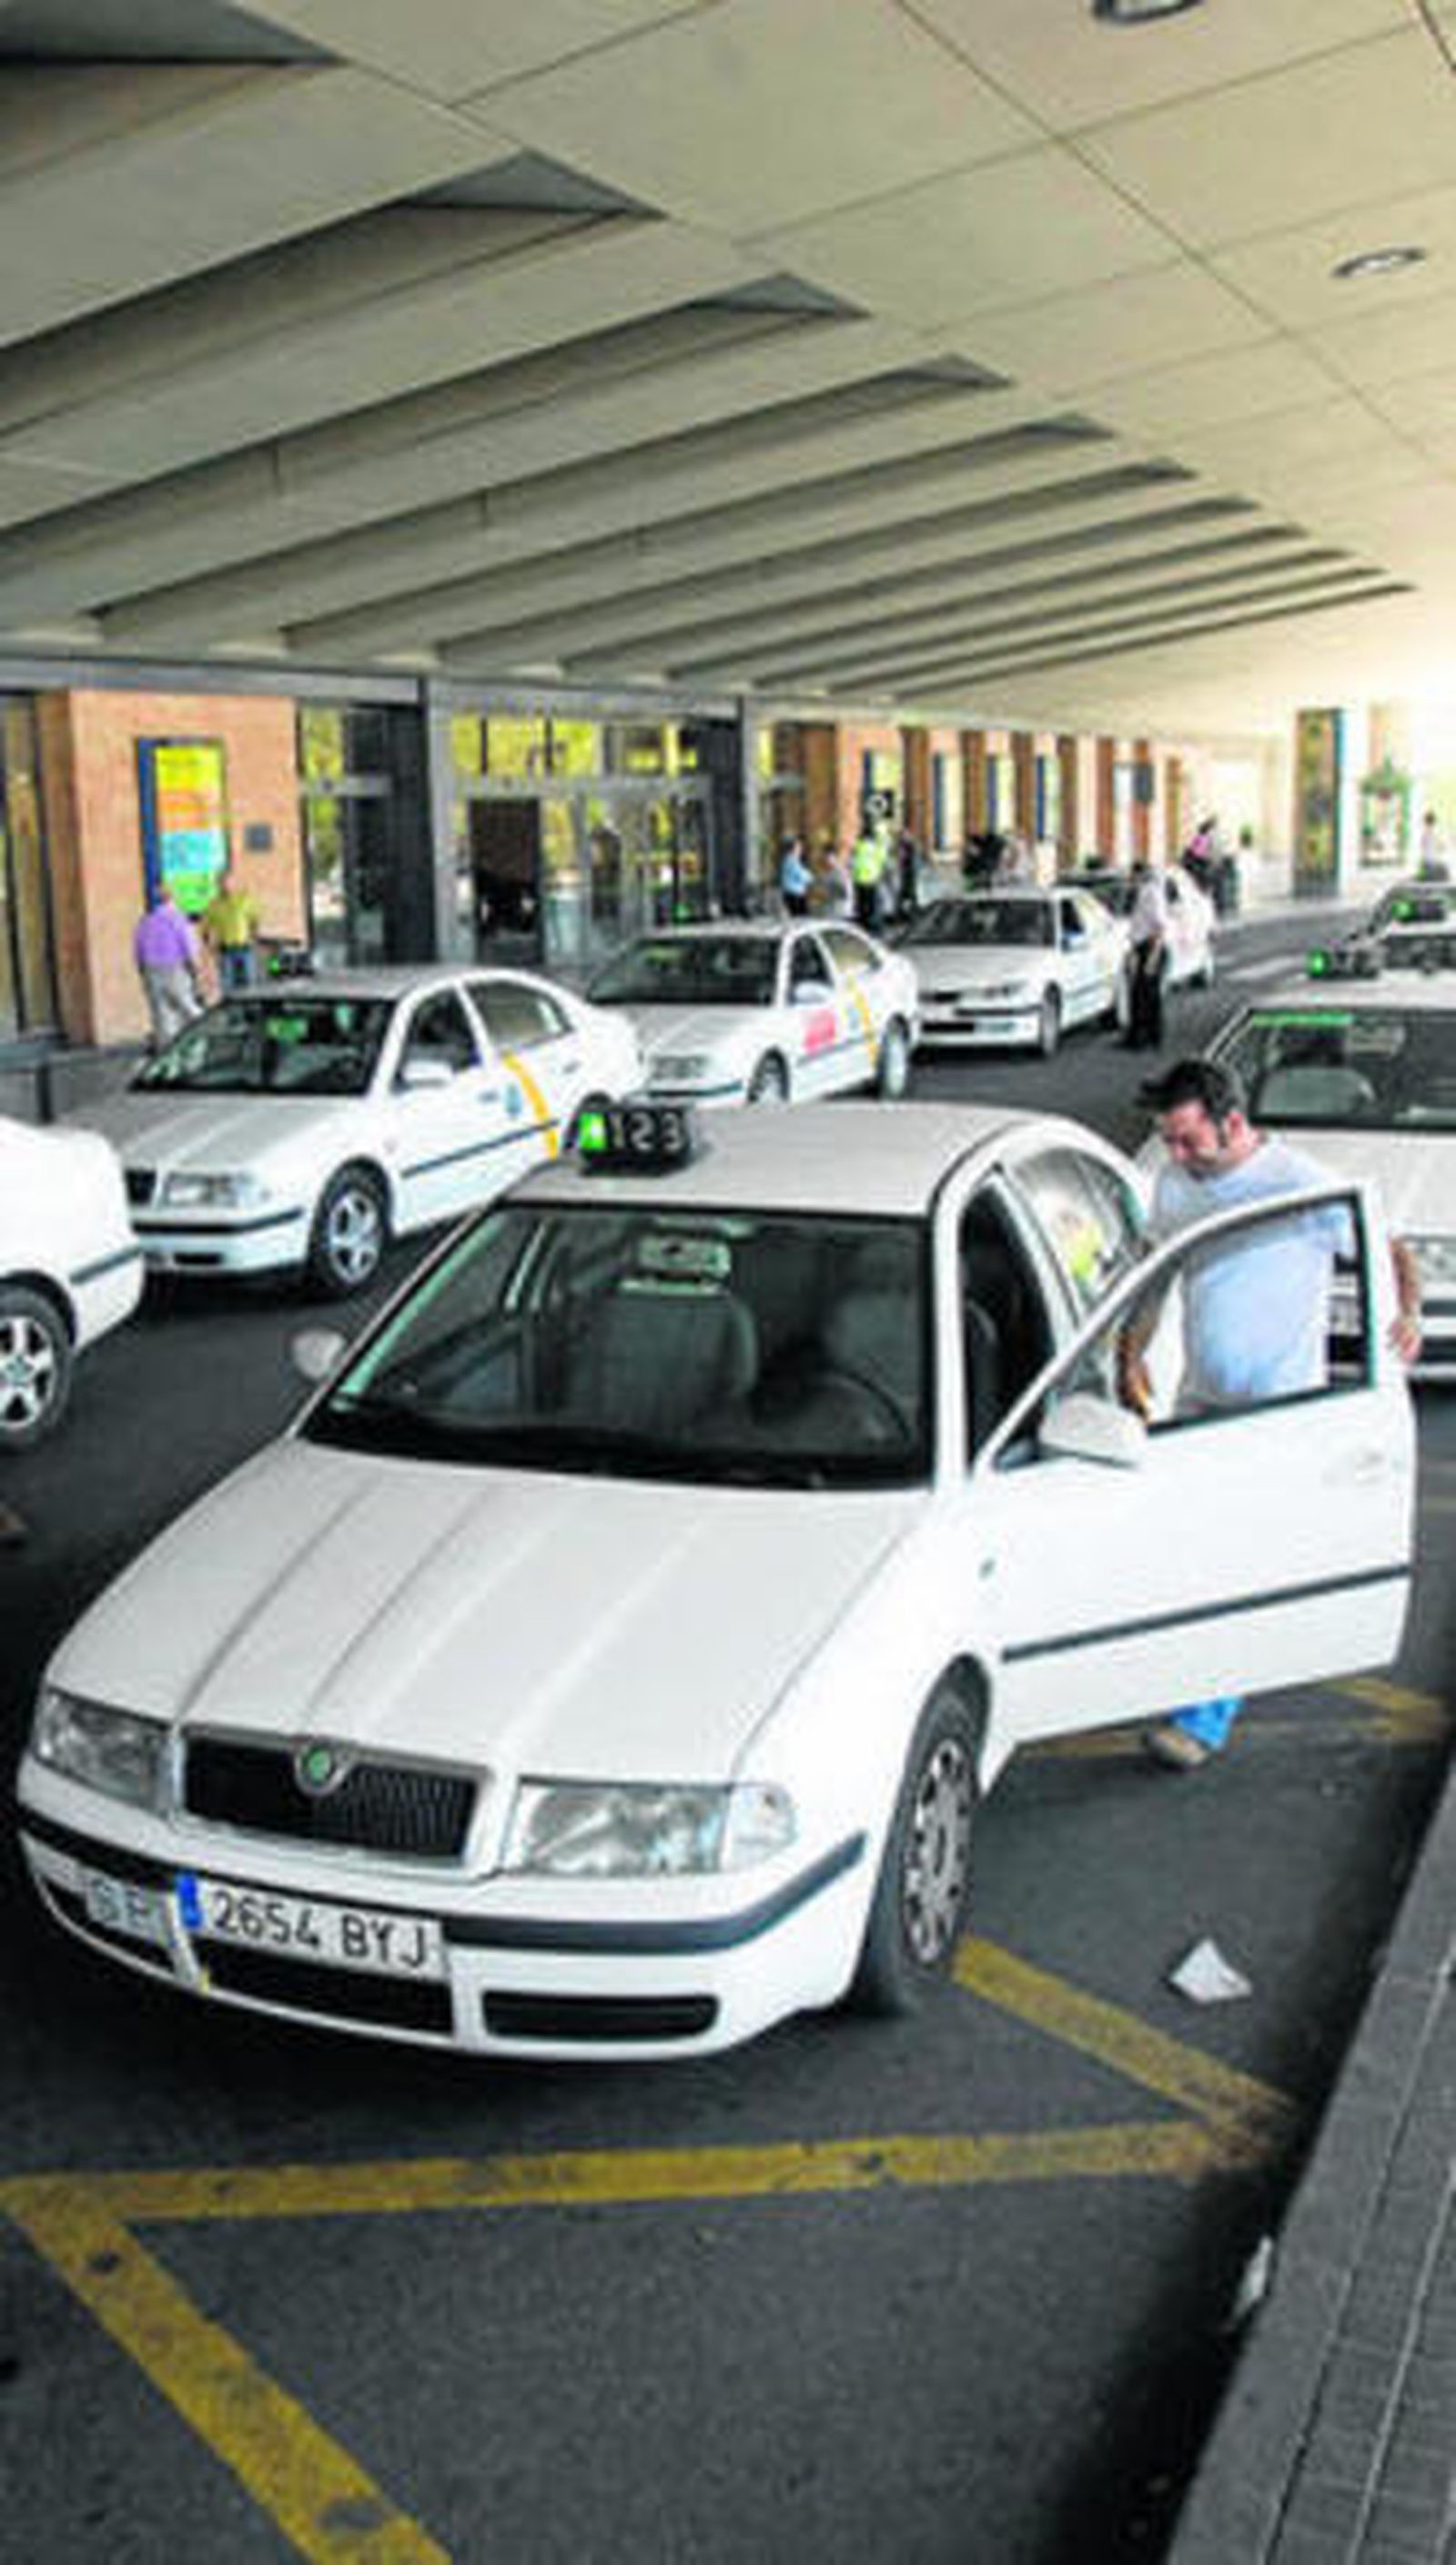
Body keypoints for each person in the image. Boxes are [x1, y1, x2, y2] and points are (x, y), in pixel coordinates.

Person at [1119, 1058, 1422, 1770]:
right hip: (1199, 1399)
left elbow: (1389, 1248)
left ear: (1233, 1123)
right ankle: (1188, 1682)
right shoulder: (1175, 1184)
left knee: (1233, 1560)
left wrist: (1407, 1314)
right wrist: (1131, 1348)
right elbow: (1162, 1272)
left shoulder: (1300, 1185)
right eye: (1169, 1141)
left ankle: (1201, 1718)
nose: (1179, 1155)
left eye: (1190, 1139)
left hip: (1275, 1413)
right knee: (1189, 1554)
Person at [133, 884, 205, 1048]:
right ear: (171, 898)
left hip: (151, 972)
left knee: (163, 1019)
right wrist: (196, 974)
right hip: (175, 970)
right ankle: (199, 1047)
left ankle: (168, 1055)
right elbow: (190, 950)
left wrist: (144, 975)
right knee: (190, 1010)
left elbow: (138, 952)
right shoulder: (179, 920)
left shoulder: (145, 922)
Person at [1122, 861, 1169, 1050]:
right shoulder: (1146, 892)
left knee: (1146, 996)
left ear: (1140, 875)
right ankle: (1144, 1037)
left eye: (1133, 876)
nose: (1130, 880)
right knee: (1142, 995)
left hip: (1150, 948)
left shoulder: (1150, 894)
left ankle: (1146, 1038)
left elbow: (1159, 927)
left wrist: (1152, 957)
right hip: (1144, 947)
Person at [202, 864, 262, 989]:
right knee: (228, 988)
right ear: (217, 885)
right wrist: (209, 946)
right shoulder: (214, 904)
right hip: (226, 951)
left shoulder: (245, 899)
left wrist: (254, 938)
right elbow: (205, 928)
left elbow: (255, 920)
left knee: (250, 986)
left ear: (234, 882)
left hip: (245, 949)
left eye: (227, 881)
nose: (225, 885)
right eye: (221, 882)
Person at [850, 824, 887, 930]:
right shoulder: (876, 848)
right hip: (872, 879)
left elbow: (853, 858)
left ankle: (862, 927)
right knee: (873, 907)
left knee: (862, 907)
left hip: (858, 880)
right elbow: (882, 858)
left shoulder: (858, 846)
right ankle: (874, 929)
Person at [778, 834, 812, 918]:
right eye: (799, 847)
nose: (800, 849)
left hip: (790, 894)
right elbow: (804, 877)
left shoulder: (787, 860)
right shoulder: (792, 861)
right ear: (793, 849)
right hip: (795, 895)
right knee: (800, 920)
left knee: (795, 918)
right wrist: (809, 876)